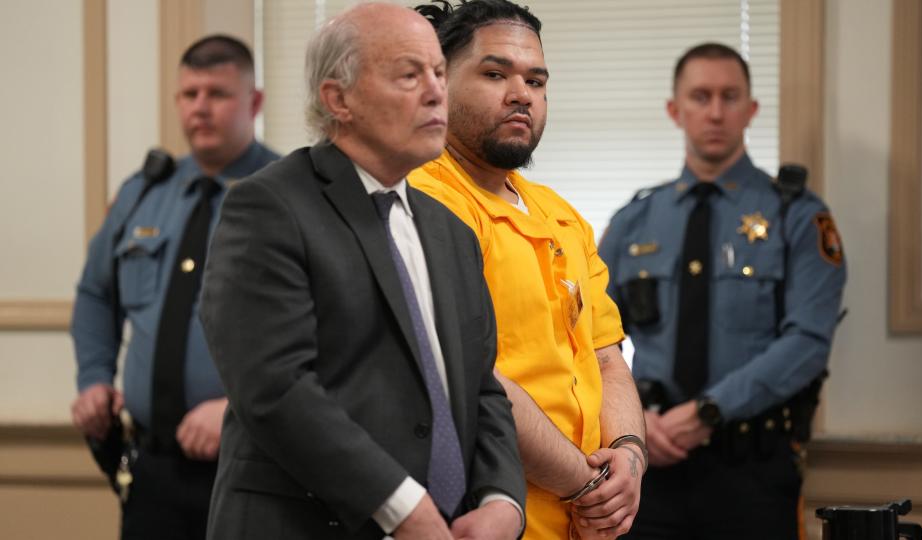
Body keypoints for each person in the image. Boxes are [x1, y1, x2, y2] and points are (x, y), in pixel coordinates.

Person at [199, 4, 526, 540]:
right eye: (409, 74)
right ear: (338, 99)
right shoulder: (268, 206)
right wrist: (401, 506)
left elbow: (482, 389)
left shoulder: (452, 233)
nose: (435, 91)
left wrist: (502, 500)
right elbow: (274, 387)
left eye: (439, 73)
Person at [409, 2, 646, 538]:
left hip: (587, 521)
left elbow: (608, 359)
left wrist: (629, 460)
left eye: (536, 80)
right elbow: (469, 377)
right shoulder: (424, 200)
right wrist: (586, 487)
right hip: (486, 516)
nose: (522, 93)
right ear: (440, 84)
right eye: (495, 74)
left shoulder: (560, 213)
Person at [599, 42, 847, 540]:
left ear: (751, 110)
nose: (715, 111)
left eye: (730, 96)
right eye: (700, 96)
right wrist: (636, 421)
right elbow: (587, 339)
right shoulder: (634, 220)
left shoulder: (797, 216)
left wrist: (710, 411)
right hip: (646, 469)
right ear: (675, 110)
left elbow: (808, 342)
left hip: (752, 473)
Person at [69, 34, 277, 539]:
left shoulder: (289, 194)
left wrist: (236, 409)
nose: (200, 108)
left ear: (253, 102)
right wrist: (94, 377)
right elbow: (96, 294)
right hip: (152, 466)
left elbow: (329, 330)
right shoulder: (143, 193)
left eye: (218, 94)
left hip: (254, 463)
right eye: (189, 94)